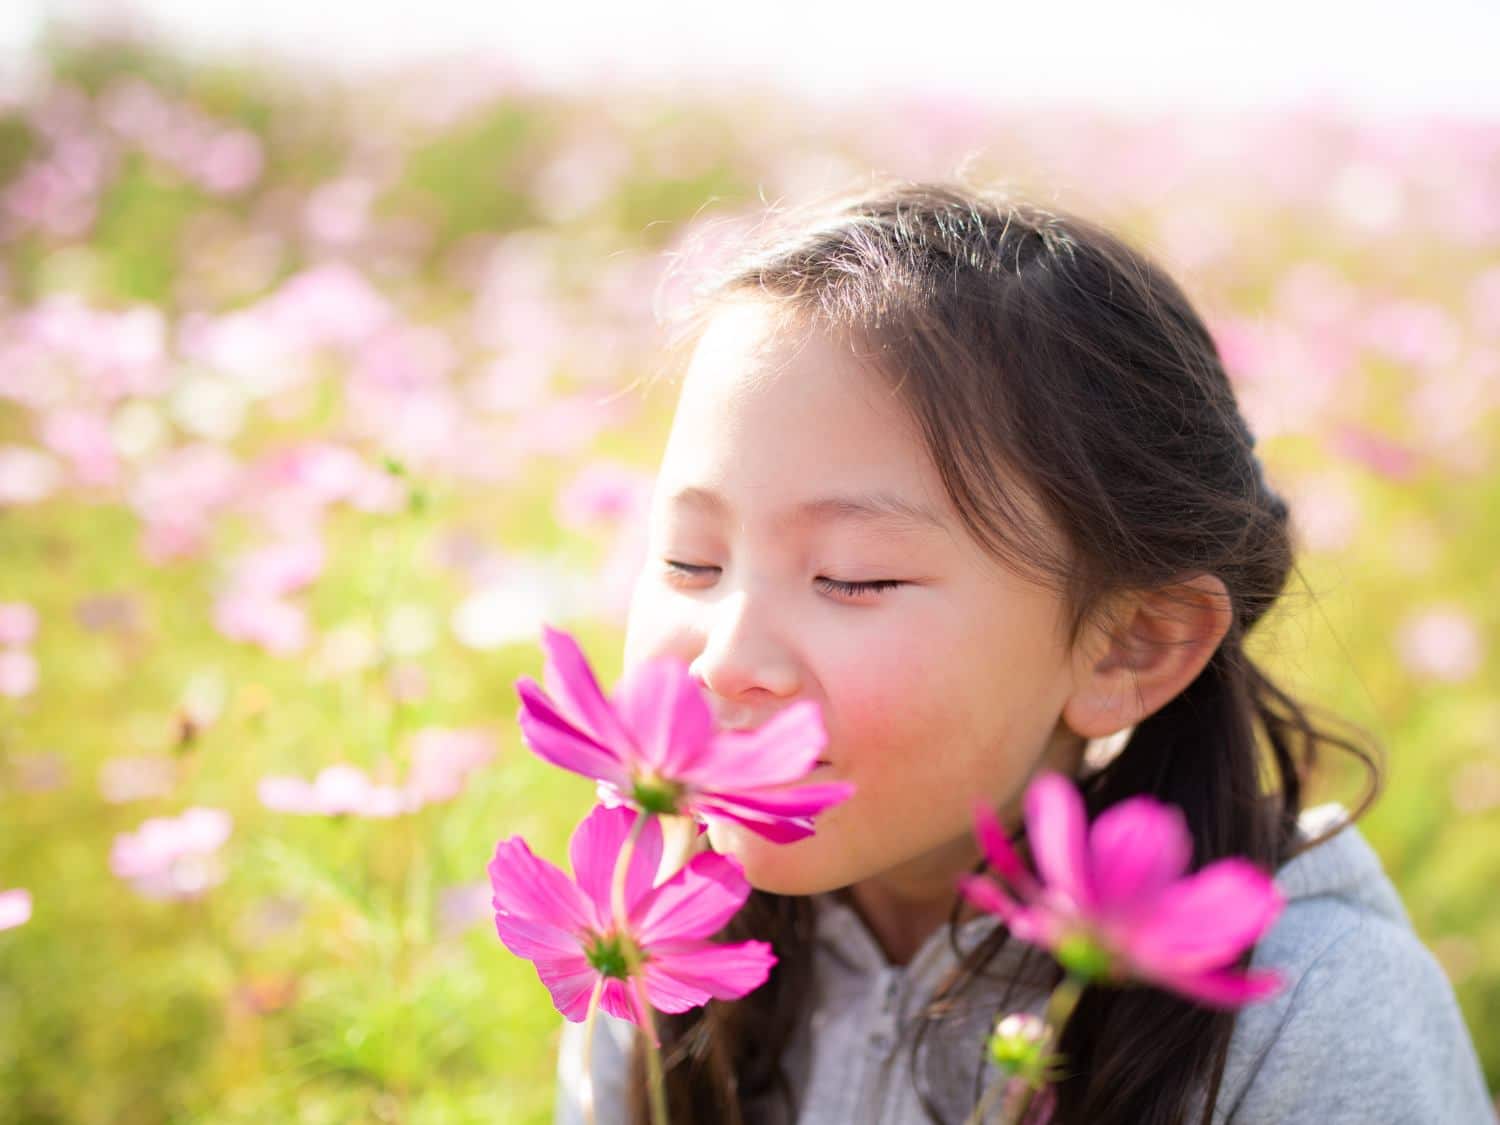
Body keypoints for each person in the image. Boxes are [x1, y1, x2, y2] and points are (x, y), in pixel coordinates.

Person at [553, 179, 1495, 1124]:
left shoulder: (1313, 1014)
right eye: (689, 560)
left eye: (853, 576)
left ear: (1129, 645)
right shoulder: (653, 937)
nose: (723, 658)